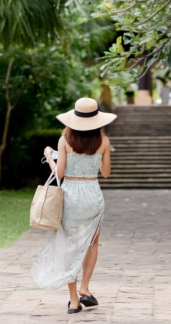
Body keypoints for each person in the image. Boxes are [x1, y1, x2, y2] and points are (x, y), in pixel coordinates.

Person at [30, 97, 117, 314]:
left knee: (69, 247)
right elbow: (105, 173)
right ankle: (85, 287)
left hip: (70, 196)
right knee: (92, 243)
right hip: (92, 195)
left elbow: (59, 174)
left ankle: (73, 301)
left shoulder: (65, 139)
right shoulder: (103, 141)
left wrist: (49, 156)